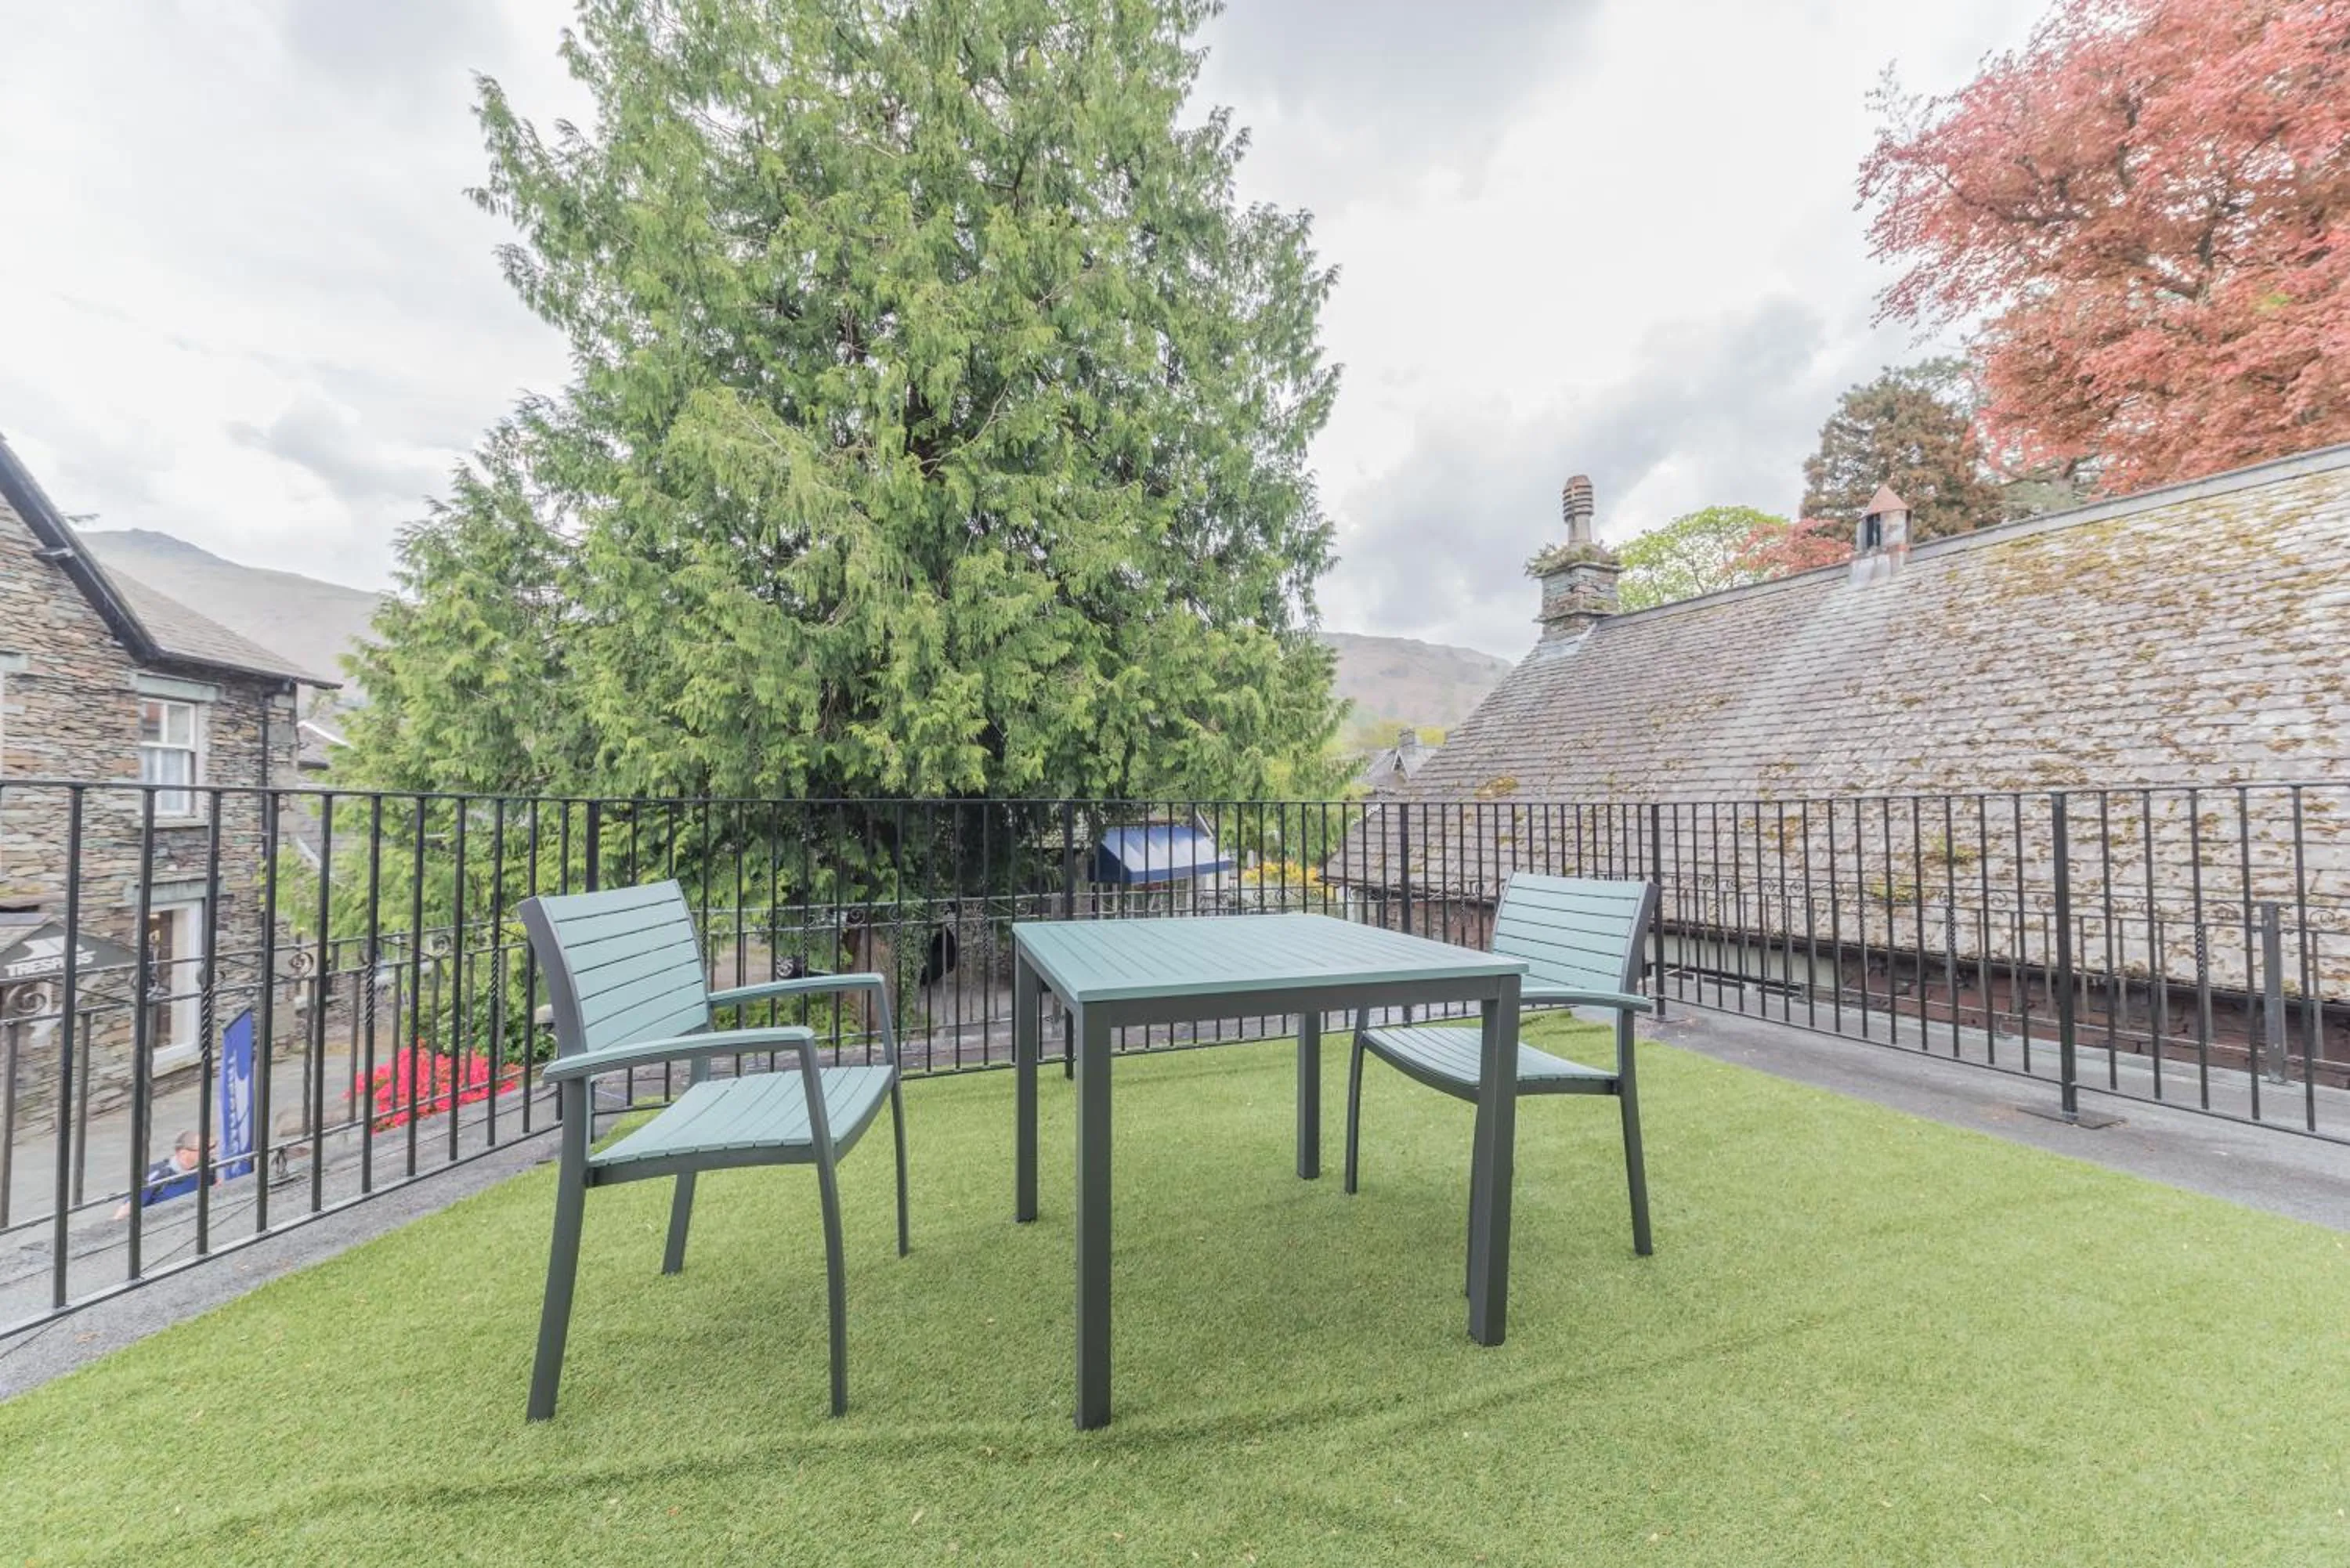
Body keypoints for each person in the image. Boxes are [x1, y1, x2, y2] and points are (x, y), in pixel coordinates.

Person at [112, 1129, 204, 1219]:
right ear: (183, 1153)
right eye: (204, 1149)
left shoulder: (210, 1168)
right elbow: (126, 1210)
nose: (212, 1152)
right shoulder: (157, 1175)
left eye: (213, 1146)